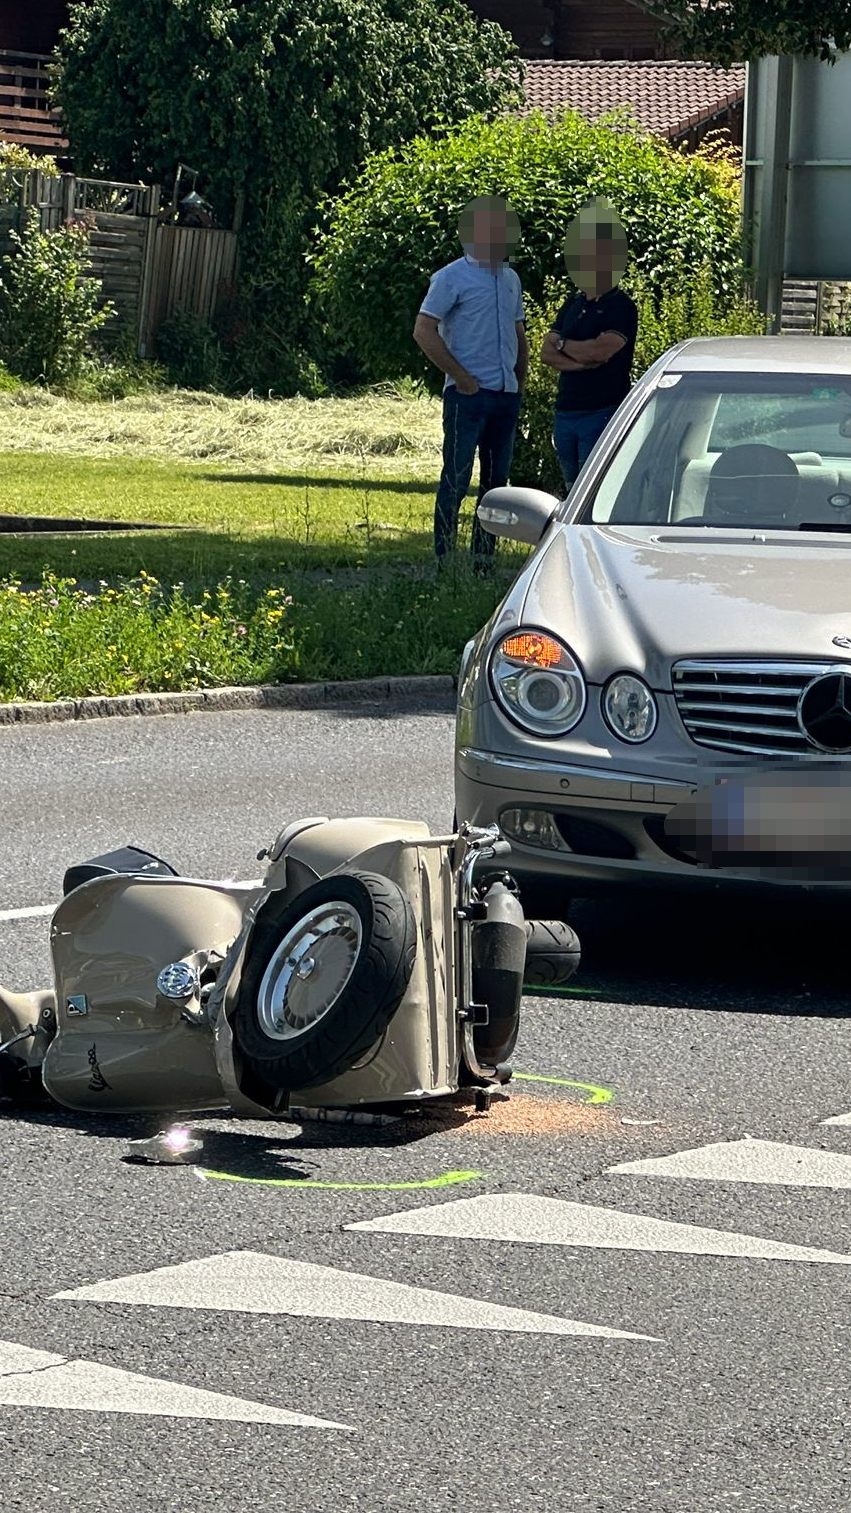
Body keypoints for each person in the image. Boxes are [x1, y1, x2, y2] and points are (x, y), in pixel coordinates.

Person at [413, 195, 528, 566]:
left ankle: (484, 560)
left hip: (504, 395)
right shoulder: (451, 277)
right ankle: (445, 559)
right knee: (457, 479)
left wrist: (519, 379)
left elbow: (518, 332)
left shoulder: (510, 278)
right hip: (468, 396)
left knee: (496, 485)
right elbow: (424, 329)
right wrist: (460, 377)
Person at [542, 198, 638, 494]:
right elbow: (547, 353)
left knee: (592, 489)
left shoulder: (620, 307)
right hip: (566, 411)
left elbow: (601, 351)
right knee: (571, 486)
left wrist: (564, 345)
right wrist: (580, 360)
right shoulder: (573, 303)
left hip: (602, 411)